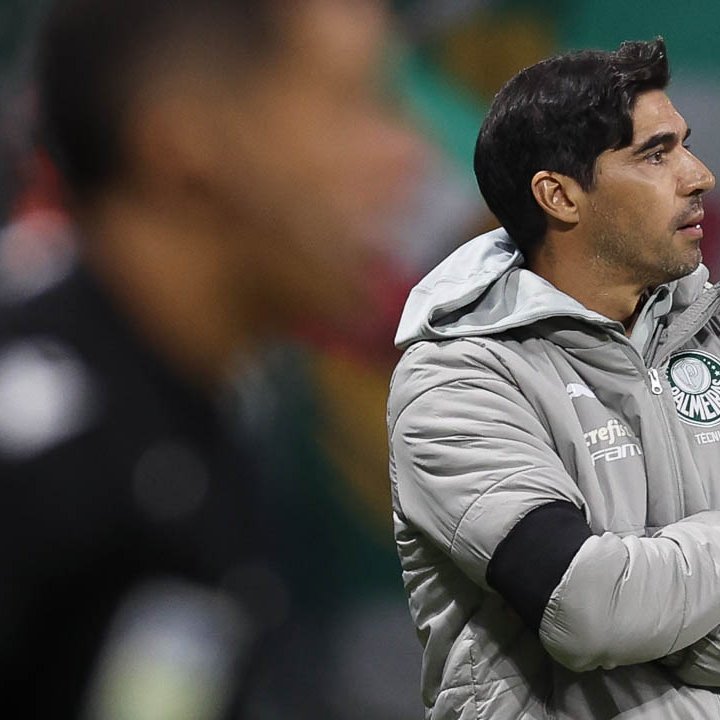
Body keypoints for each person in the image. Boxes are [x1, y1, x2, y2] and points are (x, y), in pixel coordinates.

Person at [387, 38, 720, 719]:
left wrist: (662, 635)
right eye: (655, 154)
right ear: (560, 195)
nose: (700, 174)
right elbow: (587, 609)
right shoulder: (457, 378)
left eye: (685, 144)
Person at [0, 0, 420, 716]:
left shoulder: (196, 435)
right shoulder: (40, 469)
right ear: (185, 140)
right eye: (350, 102)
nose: (402, 157)